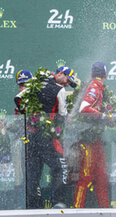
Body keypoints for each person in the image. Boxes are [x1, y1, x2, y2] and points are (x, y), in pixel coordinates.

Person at [27, 66, 77, 208]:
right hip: (47, 138)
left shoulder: (35, 83)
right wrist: (68, 119)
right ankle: (58, 203)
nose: (67, 84)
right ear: (61, 74)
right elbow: (62, 115)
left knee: (34, 173)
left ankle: (34, 206)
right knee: (61, 167)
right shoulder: (59, 90)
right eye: (68, 80)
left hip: (31, 135)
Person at [73, 62, 116, 208]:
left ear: (92, 74)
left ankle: (105, 209)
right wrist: (105, 117)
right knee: (85, 175)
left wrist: (110, 119)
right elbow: (84, 108)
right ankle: (76, 209)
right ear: (105, 75)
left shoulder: (98, 87)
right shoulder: (94, 87)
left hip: (96, 140)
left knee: (102, 176)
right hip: (88, 139)